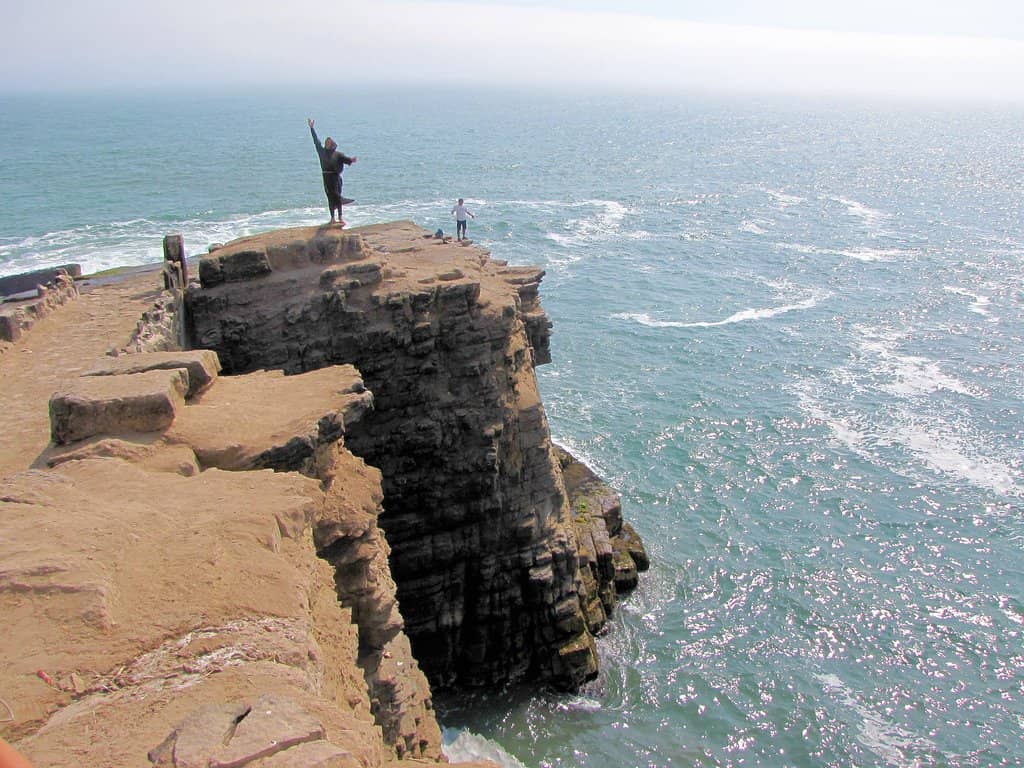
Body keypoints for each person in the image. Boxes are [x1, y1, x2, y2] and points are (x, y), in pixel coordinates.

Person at [308, 118, 357, 226]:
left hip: (336, 178)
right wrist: (312, 128)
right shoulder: (322, 152)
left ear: (332, 145)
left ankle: (340, 217)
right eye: (327, 142)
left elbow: (346, 160)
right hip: (326, 177)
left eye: (329, 143)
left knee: (337, 197)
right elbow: (316, 141)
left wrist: (351, 160)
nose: (327, 144)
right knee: (330, 197)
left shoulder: (338, 154)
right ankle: (332, 218)